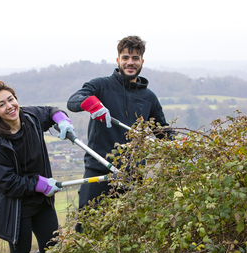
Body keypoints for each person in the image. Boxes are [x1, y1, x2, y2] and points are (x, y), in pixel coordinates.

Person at [0, 81, 75, 253]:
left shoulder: (31, 117)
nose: (9, 106)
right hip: (17, 209)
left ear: (16, 99)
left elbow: (50, 111)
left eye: (11, 99)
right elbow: (7, 183)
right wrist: (40, 183)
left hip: (41, 202)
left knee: (53, 251)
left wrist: (62, 120)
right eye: (1, 104)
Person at [67, 35, 175, 213]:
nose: (130, 62)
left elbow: (163, 132)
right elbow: (73, 101)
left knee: (131, 232)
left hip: (132, 176)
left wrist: (181, 144)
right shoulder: (100, 86)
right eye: (125, 58)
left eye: (135, 58)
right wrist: (91, 104)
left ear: (142, 61)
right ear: (118, 60)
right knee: (87, 227)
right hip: (99, 172)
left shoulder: (149, 98)